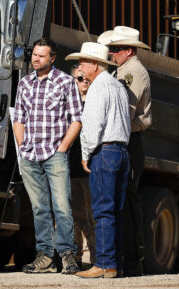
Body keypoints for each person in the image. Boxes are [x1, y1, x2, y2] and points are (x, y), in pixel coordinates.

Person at [13, 38, 82, 275]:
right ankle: (44, 256)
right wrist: (22, 147)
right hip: (30, 155)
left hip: (55, 154)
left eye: (41, 56)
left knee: (62, 206)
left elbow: (76, 119)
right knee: (39, 208)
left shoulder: (65, 82)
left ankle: (67, 255)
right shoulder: (24, 84)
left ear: (52, 58)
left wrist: (63, 148)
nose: (35, 59)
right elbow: (19, 119)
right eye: (34, 54)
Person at [65, 42, 131, 279]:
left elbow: (93, 124)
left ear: (95, 64)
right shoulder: (118, 86)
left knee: (102, 210)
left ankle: (104, 263)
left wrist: (85, 155)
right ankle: (116, 263)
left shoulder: (97, 88)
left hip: (105, 152)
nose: (81, 67)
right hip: (122, 151)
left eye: (84, 62)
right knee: (115, 210)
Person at [98, 26, 151, 276]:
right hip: (126, 139)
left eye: (115, 49)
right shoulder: (123, 70)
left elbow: (124, 110)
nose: (111, 53)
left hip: (130, 139)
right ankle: (122, 259)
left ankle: (132, 261)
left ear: (128, 50)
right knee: (121, 201)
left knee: (128, 202)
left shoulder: (132, 72)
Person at [68, 64, 96, 267]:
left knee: (93, 214)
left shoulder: (95, 103)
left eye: (86, 78)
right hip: (70, 167)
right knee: (75, 215)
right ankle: (76, 256)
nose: (83, 81)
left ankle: (96, 257)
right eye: (79, 78)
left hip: (89, 169)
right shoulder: (68, 104)